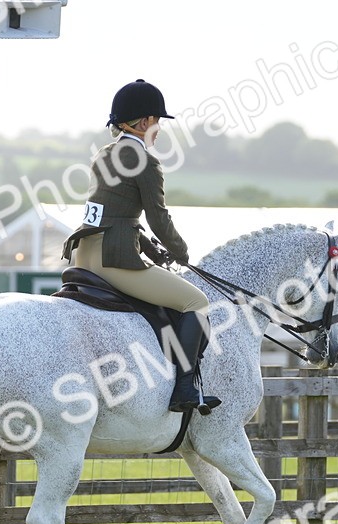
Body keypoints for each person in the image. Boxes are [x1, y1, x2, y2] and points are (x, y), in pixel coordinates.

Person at [62, 79, 220, 415]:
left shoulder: (104, 154)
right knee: (196, 300)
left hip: (84, 255)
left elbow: (112, 212)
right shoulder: (144, 161)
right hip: (114, 260)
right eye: (157, 121)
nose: (159, 129)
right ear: (145, 122)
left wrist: (148, 248)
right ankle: (184, 387)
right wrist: (180, 252)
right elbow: (158, 217)